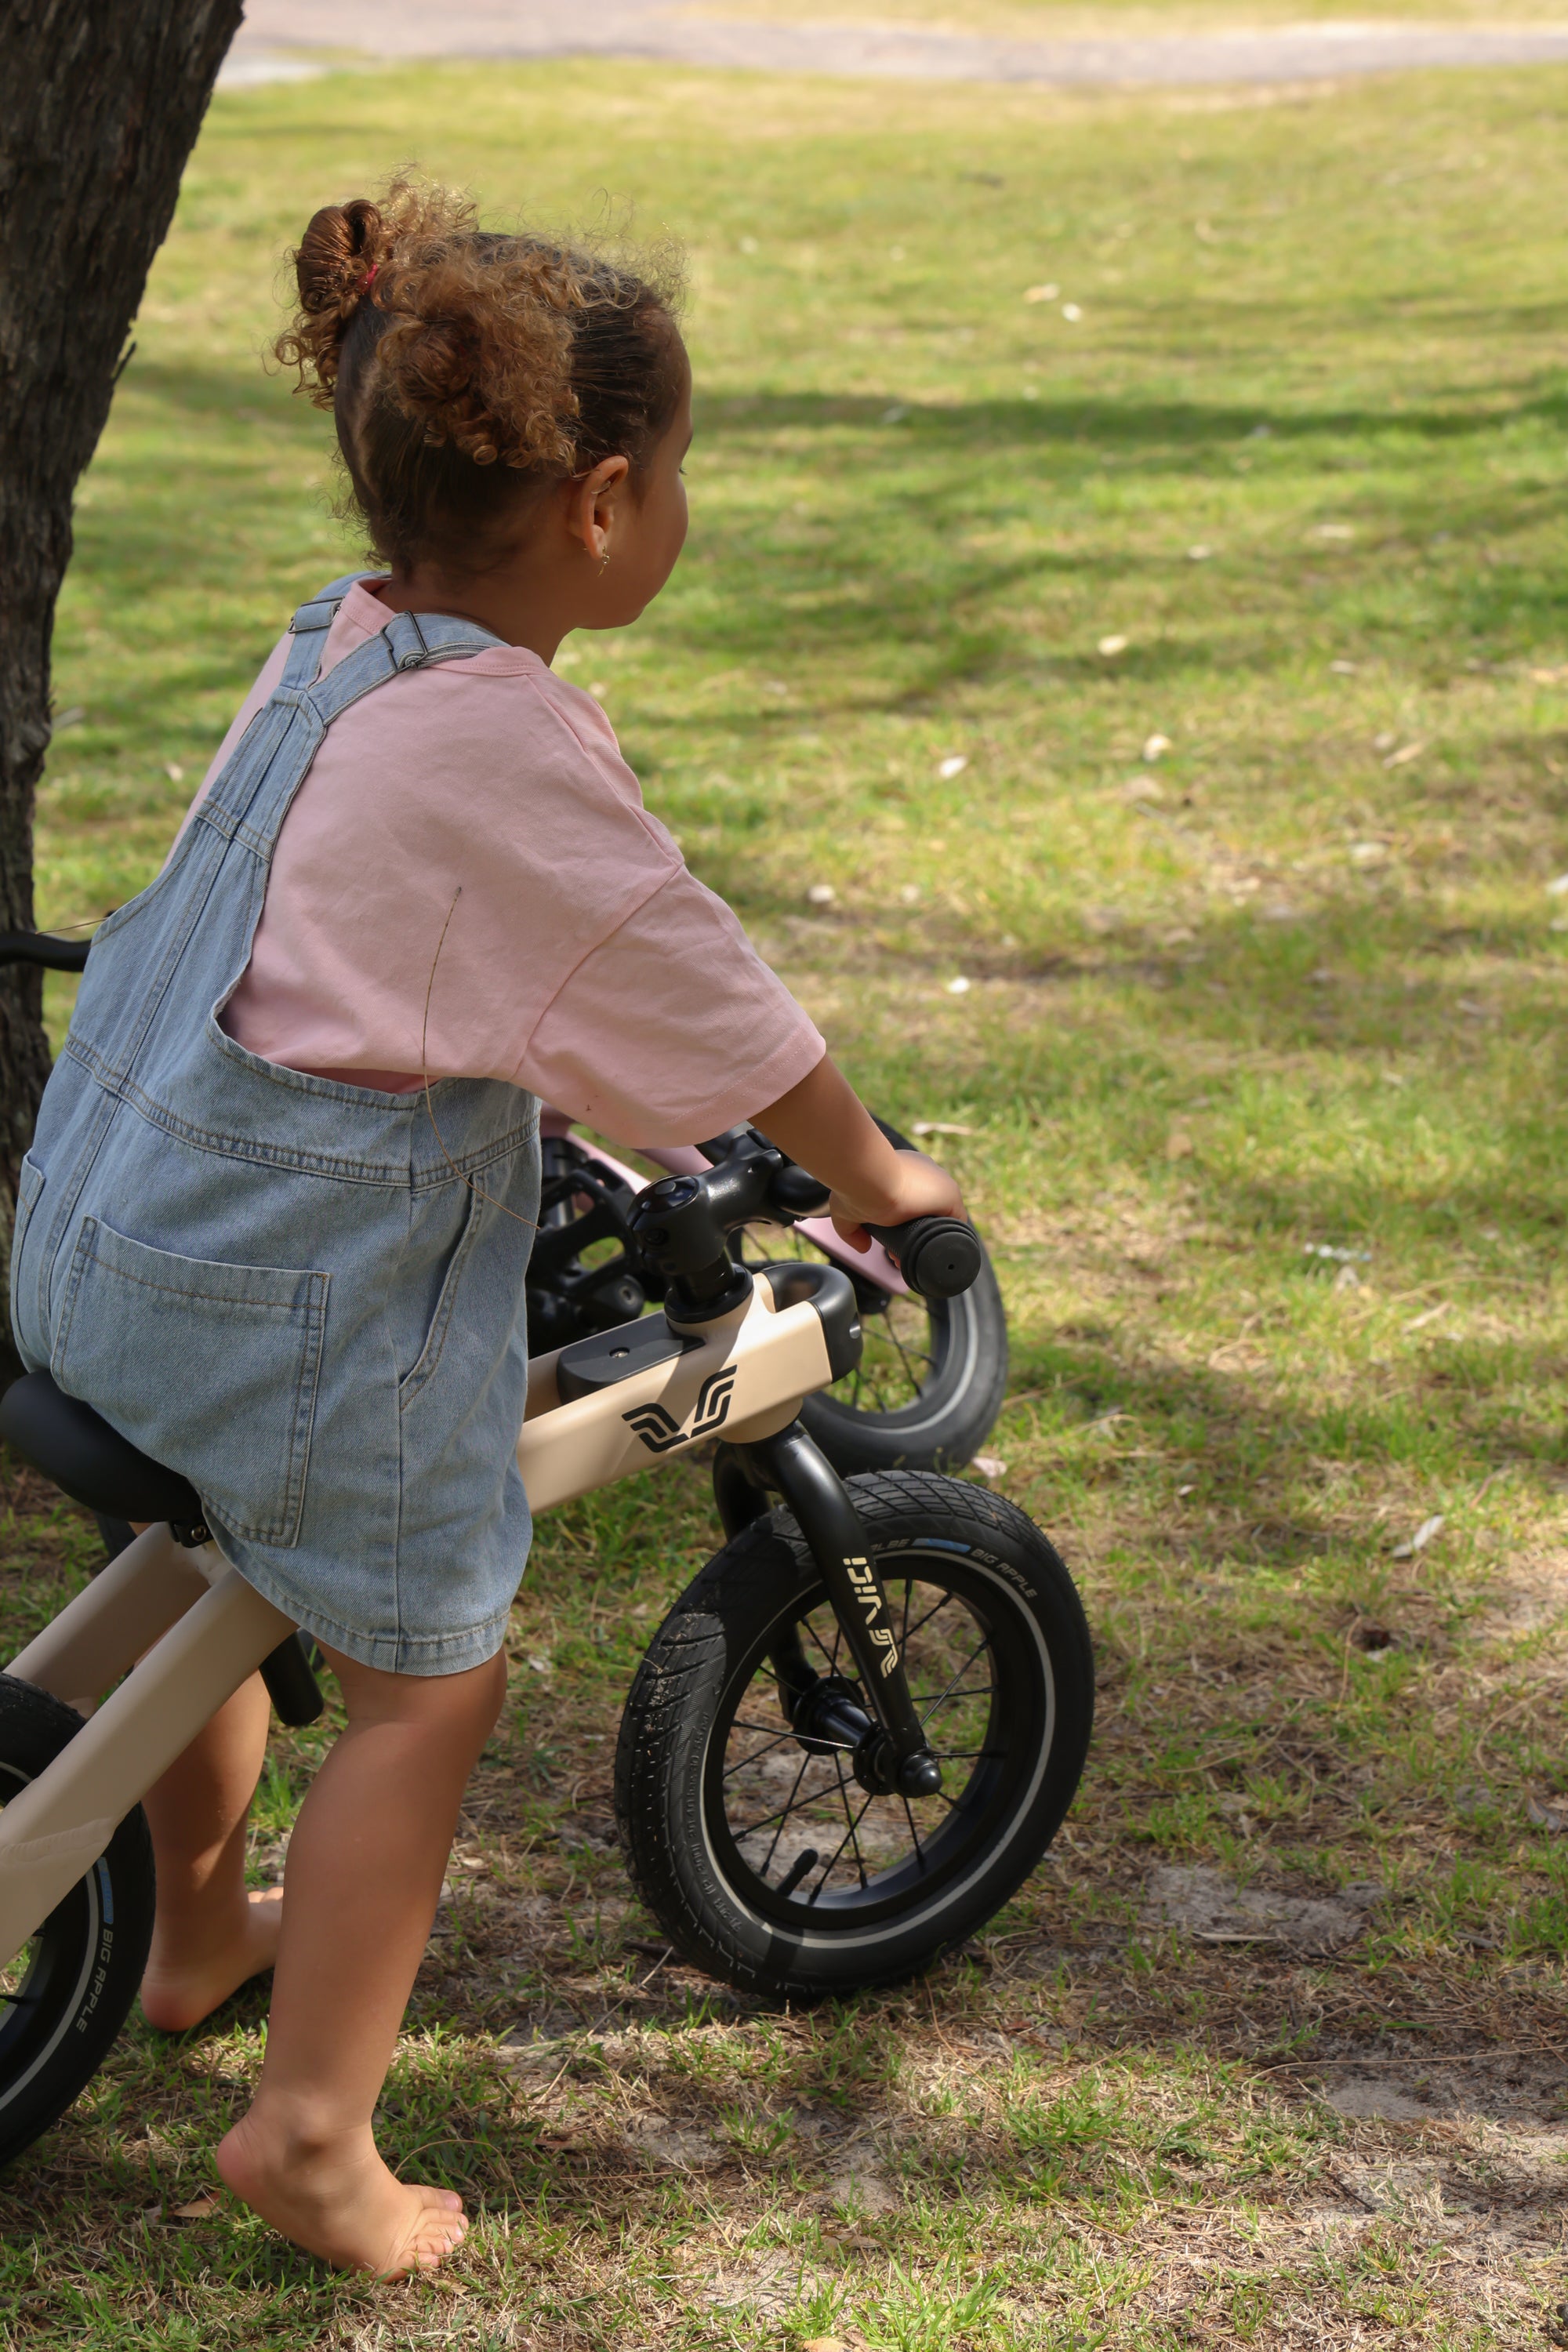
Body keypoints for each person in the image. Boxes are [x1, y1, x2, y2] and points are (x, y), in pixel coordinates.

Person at [9, 183, 963, 2275]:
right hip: (269, 1309)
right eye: (679, 474)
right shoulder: (501, 733)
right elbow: (685, 981)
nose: (682, 506)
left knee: (214, 1571)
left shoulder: (338, 643)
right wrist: (877, 1175)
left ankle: (192, 1937)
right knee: (425, 1683)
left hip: (109, 1231)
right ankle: (312, 2139)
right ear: (604, 504)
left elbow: (403, 955)